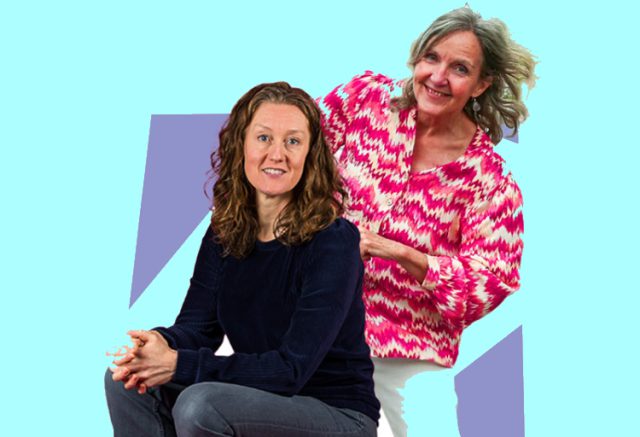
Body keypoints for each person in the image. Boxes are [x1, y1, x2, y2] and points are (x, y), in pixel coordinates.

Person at [105, 82, 380, 437]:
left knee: (201, 406)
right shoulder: (226, 230)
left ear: (310, 155)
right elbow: (198, 330)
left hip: (338, 414)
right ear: (241, 145)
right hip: (262, 398)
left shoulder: (334, 241)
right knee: (127, 379)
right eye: (264, 138)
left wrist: (178, 364)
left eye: (293, 141)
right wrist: (155, 347)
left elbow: (291, 370)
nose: (277, 154)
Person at [317, 6, 536, 437]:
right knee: (210, 395)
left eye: (460, 68)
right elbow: (292, 157)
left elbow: (488, 284)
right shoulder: (363, 100)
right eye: (431, 58)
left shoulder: (490, 182)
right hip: (308, 314)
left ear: (482, 84)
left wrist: (397, 251)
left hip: (404, 351)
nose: (438, 76)